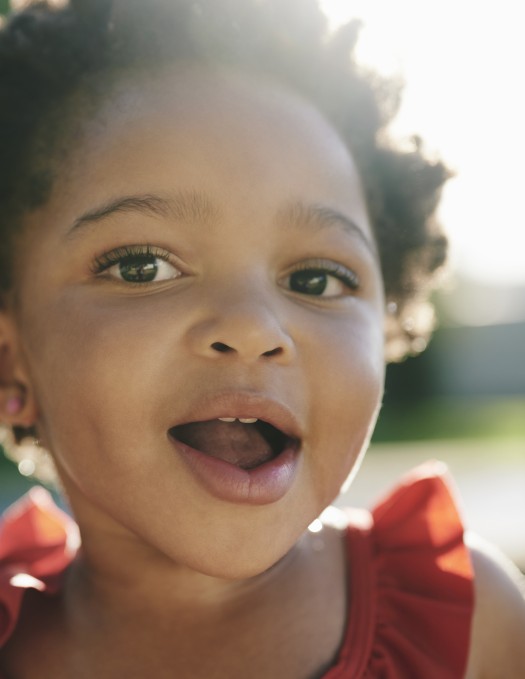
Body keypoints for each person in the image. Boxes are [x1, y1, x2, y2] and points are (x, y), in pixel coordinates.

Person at [0, 0, 523, 676]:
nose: (253, 327)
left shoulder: (470, 624)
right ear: (11, 360)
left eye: (315, 277)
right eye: (142, 267)